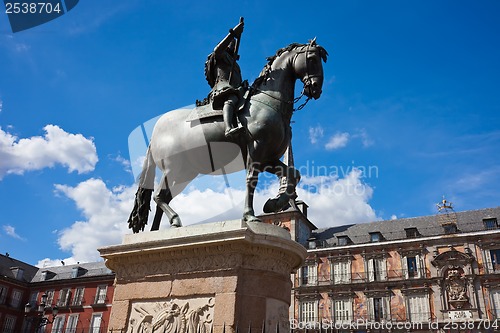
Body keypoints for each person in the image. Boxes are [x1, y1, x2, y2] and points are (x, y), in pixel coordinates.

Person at [204, 19, 245, 137]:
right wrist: (233, 34)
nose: (234, 45)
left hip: (236, 89)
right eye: (232, 43)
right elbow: (217, 49)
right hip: (223, 87)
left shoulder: (234, 64)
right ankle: (228, 128)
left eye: (234, 43)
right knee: (231, 98)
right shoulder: (220, 56)